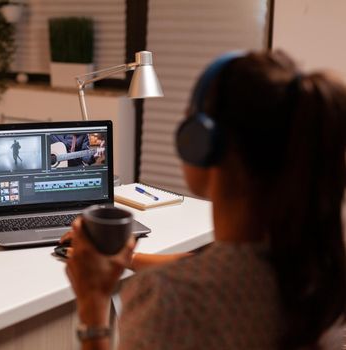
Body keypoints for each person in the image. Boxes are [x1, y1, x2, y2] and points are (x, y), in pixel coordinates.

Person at [63, 50, 346, 349]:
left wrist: (92, 304)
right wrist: (126, 258)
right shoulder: (322, 272)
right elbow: (212, 265)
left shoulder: (170, 301)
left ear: (201, 142)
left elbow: (205, 276)